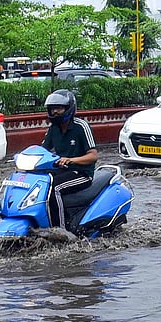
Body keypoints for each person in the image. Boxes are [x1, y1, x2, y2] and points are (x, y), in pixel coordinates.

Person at [41, 89, 99, 229]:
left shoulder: (81, 126)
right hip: (63, 171)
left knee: (54, 189)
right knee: (40, 183)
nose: (55, 112)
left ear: (69, 109)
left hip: (82, 173)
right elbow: (43, 150)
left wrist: (71, 160)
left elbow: (93, 155)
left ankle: (61, 230)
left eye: (59, 108)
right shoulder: (53, 129)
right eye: (52, 109)